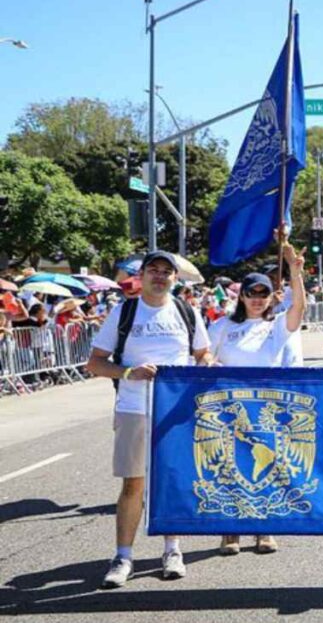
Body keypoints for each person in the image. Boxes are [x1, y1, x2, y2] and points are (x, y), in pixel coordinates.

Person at [86, 251, 214, 589]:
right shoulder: (124, 311)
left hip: (176, 413)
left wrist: (203, 368)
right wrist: (130, 372)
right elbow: (95, 363)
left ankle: (172, 550)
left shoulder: (187, 311)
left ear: (175, 278)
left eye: (166, 271)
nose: (160, 276)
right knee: (134, 484)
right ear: (141, 275)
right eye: (153, 270)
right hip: (133, 408)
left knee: (171, 481)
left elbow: (204, 353)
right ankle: (123, 556)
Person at [208, 241, 306, 556]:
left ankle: (265, 529)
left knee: (268, 467)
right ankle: (230, 532)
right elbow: (203, 356)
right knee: (228, 467)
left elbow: (298, 309)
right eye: (252, 293)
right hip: (229, 407)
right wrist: (210, 364)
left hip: (267, 408)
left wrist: (295, 270)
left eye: (264, 294)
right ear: (242, 296)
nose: (258, 300)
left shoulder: (276, 326)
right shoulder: (223, 326)